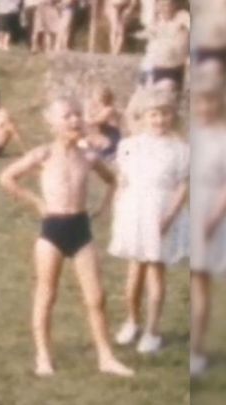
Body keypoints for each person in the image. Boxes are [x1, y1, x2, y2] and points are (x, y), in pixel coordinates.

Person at [0, 98, 134, 377]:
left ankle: (105, 357)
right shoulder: (43, 154)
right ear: (52, 123)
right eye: (67, 116)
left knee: (97, 297)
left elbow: (114, 180)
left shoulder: (89, 157)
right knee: (47, 294)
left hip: (81, 230)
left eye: (77, 115)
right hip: (52, 232)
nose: (74, 120)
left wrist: (104, 206)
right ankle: (43, 356)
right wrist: (35, 201)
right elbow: (7, 177)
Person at [109, 89, 189, 354]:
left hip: (161, 212)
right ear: (143, 117)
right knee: (134, 272)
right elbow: (122, 182)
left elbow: (181, 187)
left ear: (172, 116)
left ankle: (153, 330)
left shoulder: (180, 150)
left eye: (165, 114)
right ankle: (132, 320)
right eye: (154, 114)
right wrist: (118, 211)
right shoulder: (130, 146)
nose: (160, 120)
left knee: (156, 270)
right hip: (134, 211)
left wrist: (169, 217)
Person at [189, 65, 226, 376]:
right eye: (199, 101)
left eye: (211, 101)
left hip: (213, 210)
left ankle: (197, 349)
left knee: (200, 281)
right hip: (190, 207)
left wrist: (213, 218)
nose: (205, 107)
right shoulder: (192, 134)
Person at [83, 86, 122, 159]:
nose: (93, 98)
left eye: (94, 95)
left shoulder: (109, 110)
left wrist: (86, 110)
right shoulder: (101, 109)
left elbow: (92, 122)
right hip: (104, 137)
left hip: (112, 140)